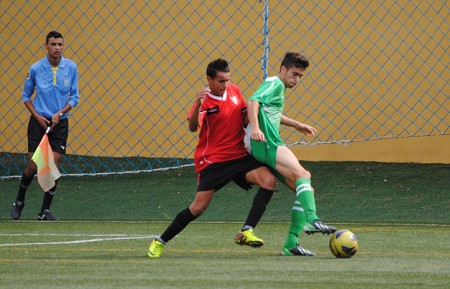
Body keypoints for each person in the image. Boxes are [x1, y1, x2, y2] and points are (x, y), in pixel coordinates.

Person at [148, 58, 276, 258]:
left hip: (238, 156)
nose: (225, 85)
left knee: (268, 180)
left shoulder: (234, 91)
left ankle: (246, 231)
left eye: (227, 80)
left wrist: (259, 112)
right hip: (213, 161)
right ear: (209, 79)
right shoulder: (205, 100)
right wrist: (198, 103)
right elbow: (192, 128)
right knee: (198, 208)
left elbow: (244, 118)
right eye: (221, 81)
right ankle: (160, 241)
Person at [245, 52, 336, 256]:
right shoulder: (274, 83)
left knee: (305, 190)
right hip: (266, 142)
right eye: (294, 74)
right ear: (283, 69)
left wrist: (297, 124)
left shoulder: (277, 88)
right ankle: (313, 220)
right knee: (304, 175)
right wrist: (256, 128)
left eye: (300, 76)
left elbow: (272, 111)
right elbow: (253, 102)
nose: (296, 80)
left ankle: (290, 245)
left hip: (265, 144)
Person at [10, 31, 79, 221]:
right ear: (46, 46)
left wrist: (60, 113)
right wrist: (37, 116)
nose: (57, 48)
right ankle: (19, 201)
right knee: (34, 165)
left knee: (53, 165)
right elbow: (26, 97)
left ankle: (45, 211)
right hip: (38, 123)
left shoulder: (71, 67)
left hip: (60, 123)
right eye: (53, 44)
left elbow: (74, 98)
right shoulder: (35, 69)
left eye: (60, 44)